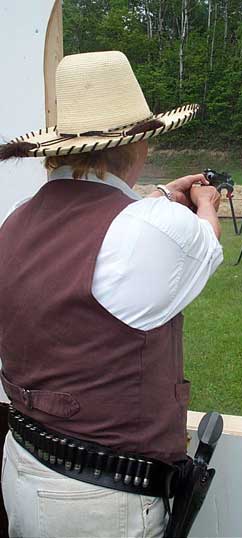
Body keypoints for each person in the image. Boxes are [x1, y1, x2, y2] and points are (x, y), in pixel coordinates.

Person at [0, 50, 223, 538]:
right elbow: (205, 246)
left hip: (23, 466)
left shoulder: (15, 219)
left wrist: (162, 195)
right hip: (101, 501)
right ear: (137, 148)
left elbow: (107, 223)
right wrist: (204, 203)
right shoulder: (148, 229)